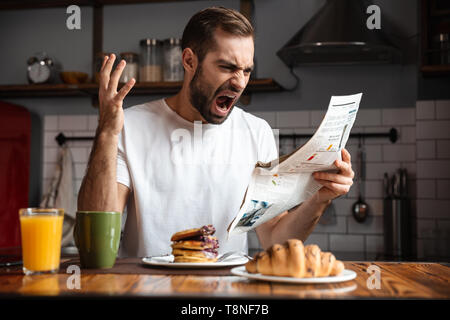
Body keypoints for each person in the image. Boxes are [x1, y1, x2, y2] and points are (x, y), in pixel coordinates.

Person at [78, 7, 354, 258]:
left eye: (246, 71)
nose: (239, 82)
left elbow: (274, 241)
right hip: (148, 289)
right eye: (227, 67)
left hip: (229, 294)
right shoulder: (131, 126)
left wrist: (320, 198)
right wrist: (106, 134)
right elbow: (96, 245)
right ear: (189, 61)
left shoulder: (257, 132)